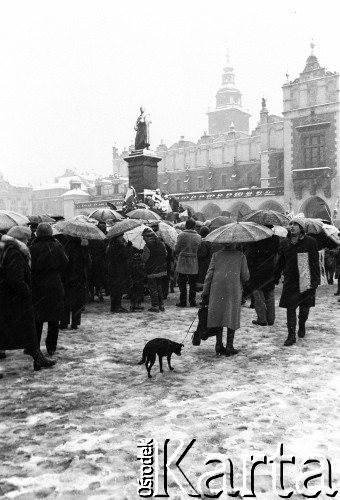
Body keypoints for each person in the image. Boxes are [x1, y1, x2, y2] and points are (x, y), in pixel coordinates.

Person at [0, 226, 55, 372]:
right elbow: (15, 279)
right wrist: (27, 292)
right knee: (24, 329)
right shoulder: (14, 252)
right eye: (27, 238)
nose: (29, 241)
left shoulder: (5, 250)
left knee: (18, 330)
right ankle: (38, 357)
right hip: (15, 299)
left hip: (8, 297)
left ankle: (38, 357)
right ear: (21, 239)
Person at [274, 217, 320, 346]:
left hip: (306, 280)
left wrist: (315, 280)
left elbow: (314, 262)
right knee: (290, 308)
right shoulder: (284, 242)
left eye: (295, 224)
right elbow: (281, 261)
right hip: (290, 280)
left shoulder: (310, 242)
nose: (292, 226)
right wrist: (276, 276)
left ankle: (302, 324)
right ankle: (291, 335)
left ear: (302, 228)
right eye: (290, 224)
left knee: (304, 309)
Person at [201, 242, 250, 356]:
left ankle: (218, 344)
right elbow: (246, 276)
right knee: (231, 316)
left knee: (219, 316)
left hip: (217, 288)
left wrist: (205, 291)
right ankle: (229, 346)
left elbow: (209, 274)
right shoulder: (240, 256)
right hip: (233, 289)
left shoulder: (216, 255)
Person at [30, 223, 69, 355]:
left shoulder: (31, 248)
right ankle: (51, 347)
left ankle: (34, 347)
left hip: (37, 286)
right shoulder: (57, 246)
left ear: (37, 234)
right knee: (54, 319)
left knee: (37, 319)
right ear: (50, 233)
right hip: (54, 285)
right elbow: (65, 262)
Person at [246, 232, 280, 326]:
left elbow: (250, 256)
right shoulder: (275, 238)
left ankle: (262, 319)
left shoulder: (256, 238)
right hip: (270, 270)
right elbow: (277, 254)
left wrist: (250, 266)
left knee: (258, 297)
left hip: (257, 270)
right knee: (270, 295)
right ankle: (271, 319)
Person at [60, 236, 91, 328]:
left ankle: (64, 322)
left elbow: (63, 263)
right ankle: (75, 322)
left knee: (66, 301)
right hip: (79, 279)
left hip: (67, 278)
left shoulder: (65, 247)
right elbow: (88, 263)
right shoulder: (82, 249)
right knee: (78, 302)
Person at [174, 218, 202, 307]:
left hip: (182, 261)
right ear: (194, 226)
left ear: (186, 225)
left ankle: (182, 301)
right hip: (193, 261)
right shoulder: (198, 237)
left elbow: (177, 249)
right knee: (192, 283)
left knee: (182, 282)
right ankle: (192, 301)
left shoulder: (181, 235)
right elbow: (199, 250)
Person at [142, 228, 167, 312]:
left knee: (153, 289)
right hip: (161, 269)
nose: (143, 239)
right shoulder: (161, 244)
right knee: (159, 288)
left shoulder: (147, 246)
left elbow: (145, 259)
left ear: (147, 237)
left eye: (143, 237)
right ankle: (161, 305)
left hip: (152, 270)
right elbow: (165, 254)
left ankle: (155, 306)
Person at [106, 234, 130, 313]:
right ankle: (118, 306)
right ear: (117, 237)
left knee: (114, 288)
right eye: (121, 237)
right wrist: (128, 247)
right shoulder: (120, 246)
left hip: (112, 269)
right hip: (119, 269)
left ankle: (113, 306)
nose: (122, 238)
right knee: (119, 288)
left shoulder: (110, 245)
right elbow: (125, 256)